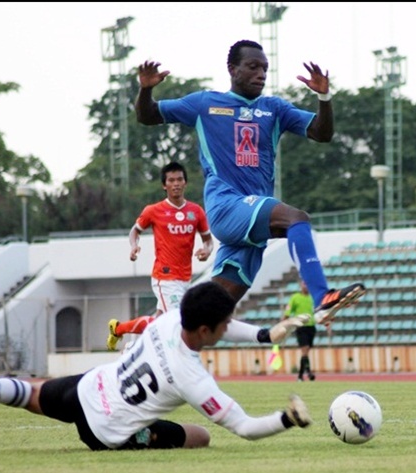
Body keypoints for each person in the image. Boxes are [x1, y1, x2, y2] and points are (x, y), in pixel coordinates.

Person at [0, 282, 312, 451]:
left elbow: (220, 320)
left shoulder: (171, 317)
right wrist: (288, 418)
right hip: (108, 433)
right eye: (223, 326)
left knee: (29, 392)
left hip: (87, 388)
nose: (228, 328)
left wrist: (265, 334)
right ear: (205, 330)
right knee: (201, 436)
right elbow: (245, 428)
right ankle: (143, 435)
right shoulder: (193, 379)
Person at [134, 39, 365, 326]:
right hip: (226, 207)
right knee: (297, 219)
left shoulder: (274, 109)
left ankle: (151, 334)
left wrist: (325, 98)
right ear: (232, 69)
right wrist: (146, 89)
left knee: (207, 318)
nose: (261, 74)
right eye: (253, 67)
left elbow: (322, 133)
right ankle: (322, 297)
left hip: (251, 221)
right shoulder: (205, 104)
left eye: (265, 68)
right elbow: (147, 115)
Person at [107, 162, 213, 351]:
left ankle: (119, 330)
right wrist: (134, 246)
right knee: (177, 323)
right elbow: (135, 231)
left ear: (185, 182)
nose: (176, 184)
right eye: (171, 180)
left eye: (179, 179)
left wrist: (207, 250)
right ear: (164, 185)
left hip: (185, 277)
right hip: (164, 277)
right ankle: (139, 351)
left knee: (158, 322)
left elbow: (208, 240)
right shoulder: (153, 211)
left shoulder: (196, 212)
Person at [284, 279, 318, 382]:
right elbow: (287, 312)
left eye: (307, 284)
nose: (306, 286)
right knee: (305, 349)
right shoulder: (295, 298)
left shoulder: (312, 298)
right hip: (301, 327)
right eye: (304, 284)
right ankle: (307, 373)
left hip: (311, 326)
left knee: (306, 352)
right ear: (301, 285)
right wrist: (284, 325)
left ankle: (301, 375)